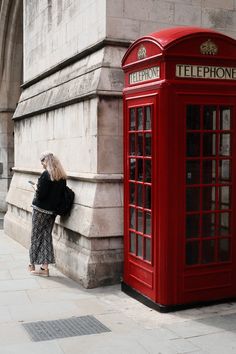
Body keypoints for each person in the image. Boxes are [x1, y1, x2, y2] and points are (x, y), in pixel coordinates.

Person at [28, 152, 67, 276]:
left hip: (40, 211)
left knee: (35, 236)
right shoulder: (61, 176)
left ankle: (31, 264)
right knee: (46, 237)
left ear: (47, 161)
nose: (42, 165)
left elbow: (41, 195)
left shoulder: (46, 175)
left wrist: (36, 188)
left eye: (42, 162)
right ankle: (45, 268)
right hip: (52, 212)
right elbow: (60, 196)